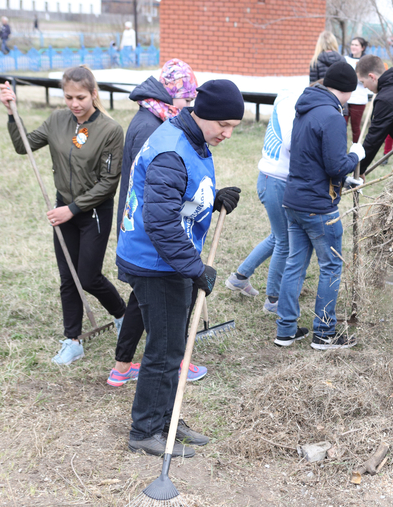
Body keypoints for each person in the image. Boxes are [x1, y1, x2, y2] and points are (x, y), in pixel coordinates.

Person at [116, 79, 243, 457]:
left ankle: (167, 417)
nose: (228, 133)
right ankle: (147, 431)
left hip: (168, 260)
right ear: (204, 114)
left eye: (234, 126)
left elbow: (177, 198)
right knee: (166, 349)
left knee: (172, 347)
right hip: (157, 263)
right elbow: (160, 223)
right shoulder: (172, 148)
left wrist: (211, 200)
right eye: (224, 124)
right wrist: (194, 268)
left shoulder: (192, 139)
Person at [0, 66, 126, 365]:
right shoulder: (57, 120)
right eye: (68, 97)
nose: (74, 103)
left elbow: (108, 183)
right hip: (63, 206)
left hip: (93, 211)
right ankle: (72, 340)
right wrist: (10, 113)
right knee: (68, 278)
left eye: (81, 97)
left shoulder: (110, 130)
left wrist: (72, 210)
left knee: (89, 277)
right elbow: (24, 146)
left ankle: (123, 315)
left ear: (93, 94)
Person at [108, 58, 206, 387]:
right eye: (187, 99)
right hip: (146, 236)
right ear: (170, 95)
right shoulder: (152, 126)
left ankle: (122, 366)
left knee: (140, 299)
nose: (190, 107)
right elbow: (154, 198)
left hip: (145, 234)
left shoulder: (156, 116)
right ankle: (165, 361)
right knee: (153, 305)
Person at [275, 61, 364, 350]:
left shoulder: (305, 109)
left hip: (294, 201)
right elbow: (336, 164)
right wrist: (354, 155)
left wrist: (342, 183)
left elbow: (310, 158)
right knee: (331, 267)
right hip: (318, 208)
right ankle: (325, 333)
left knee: (295, 264)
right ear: (348, 90)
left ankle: (285, 330)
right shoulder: (333, 117)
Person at [224, 86, 305, 313]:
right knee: (284, 241)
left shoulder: (290, 97)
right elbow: (291, 142)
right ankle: (273, 300)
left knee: (277, 236)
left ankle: (239, 277)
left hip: (272, 179)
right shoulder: (291, 102)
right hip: (276, 180)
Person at [344, 37, 369, 142]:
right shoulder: (345, 59)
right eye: (352, 44)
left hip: (358, 99)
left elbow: (365, 79)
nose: (353, 47)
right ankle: (341, 152)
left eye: (356, 45)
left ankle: (356, 152)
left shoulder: (366, 61)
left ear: (362, 47)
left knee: (355, 128)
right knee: (341, 126)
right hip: (344, 99)